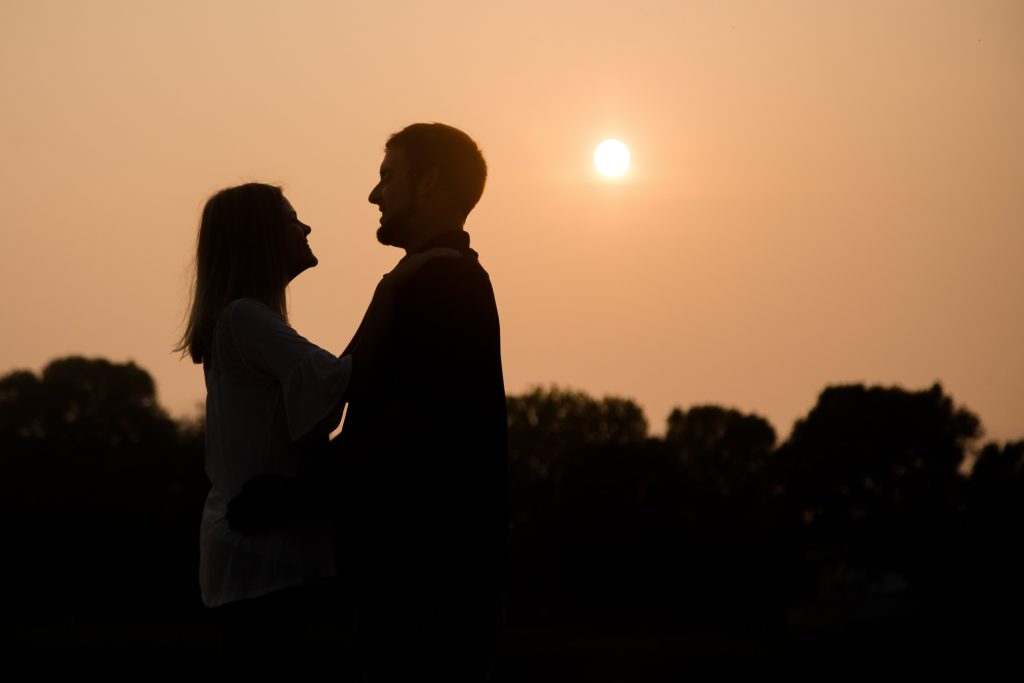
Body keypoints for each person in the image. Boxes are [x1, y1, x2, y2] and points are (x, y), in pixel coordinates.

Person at [228, 123, 509, 682]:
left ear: (428, 182)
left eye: (388, 177)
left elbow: (416, 425)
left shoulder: (442, 284)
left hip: (422, 577)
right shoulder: (427, 279)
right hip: (424, 572)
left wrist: (294, 492)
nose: (374, 194)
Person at [176, 182, 455, 675]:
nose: (305, 227)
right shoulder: (245, 318)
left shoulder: (243, 321)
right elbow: (336, 380)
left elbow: (319, 401)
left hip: (252, 548)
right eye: (291, 220)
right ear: (260, 238)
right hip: (261, 552)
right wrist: (391, 289)